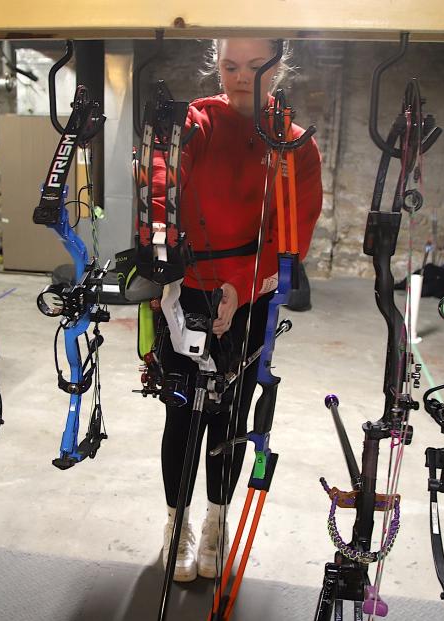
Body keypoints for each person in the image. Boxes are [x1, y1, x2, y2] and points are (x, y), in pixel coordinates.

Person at [152, 39, 322, 582]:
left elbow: (292, 235)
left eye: (255, 67)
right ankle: (176, 521)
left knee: (231, 411)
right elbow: (161, 194)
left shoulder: (294, 144)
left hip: (249, 295)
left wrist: (240, 288)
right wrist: (160, 270)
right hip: (184, 293)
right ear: (216, 63)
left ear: (279, 65)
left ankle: (216, 521)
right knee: (182, 411)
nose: (240, 78)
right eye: (229, 66)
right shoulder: (196, 125)